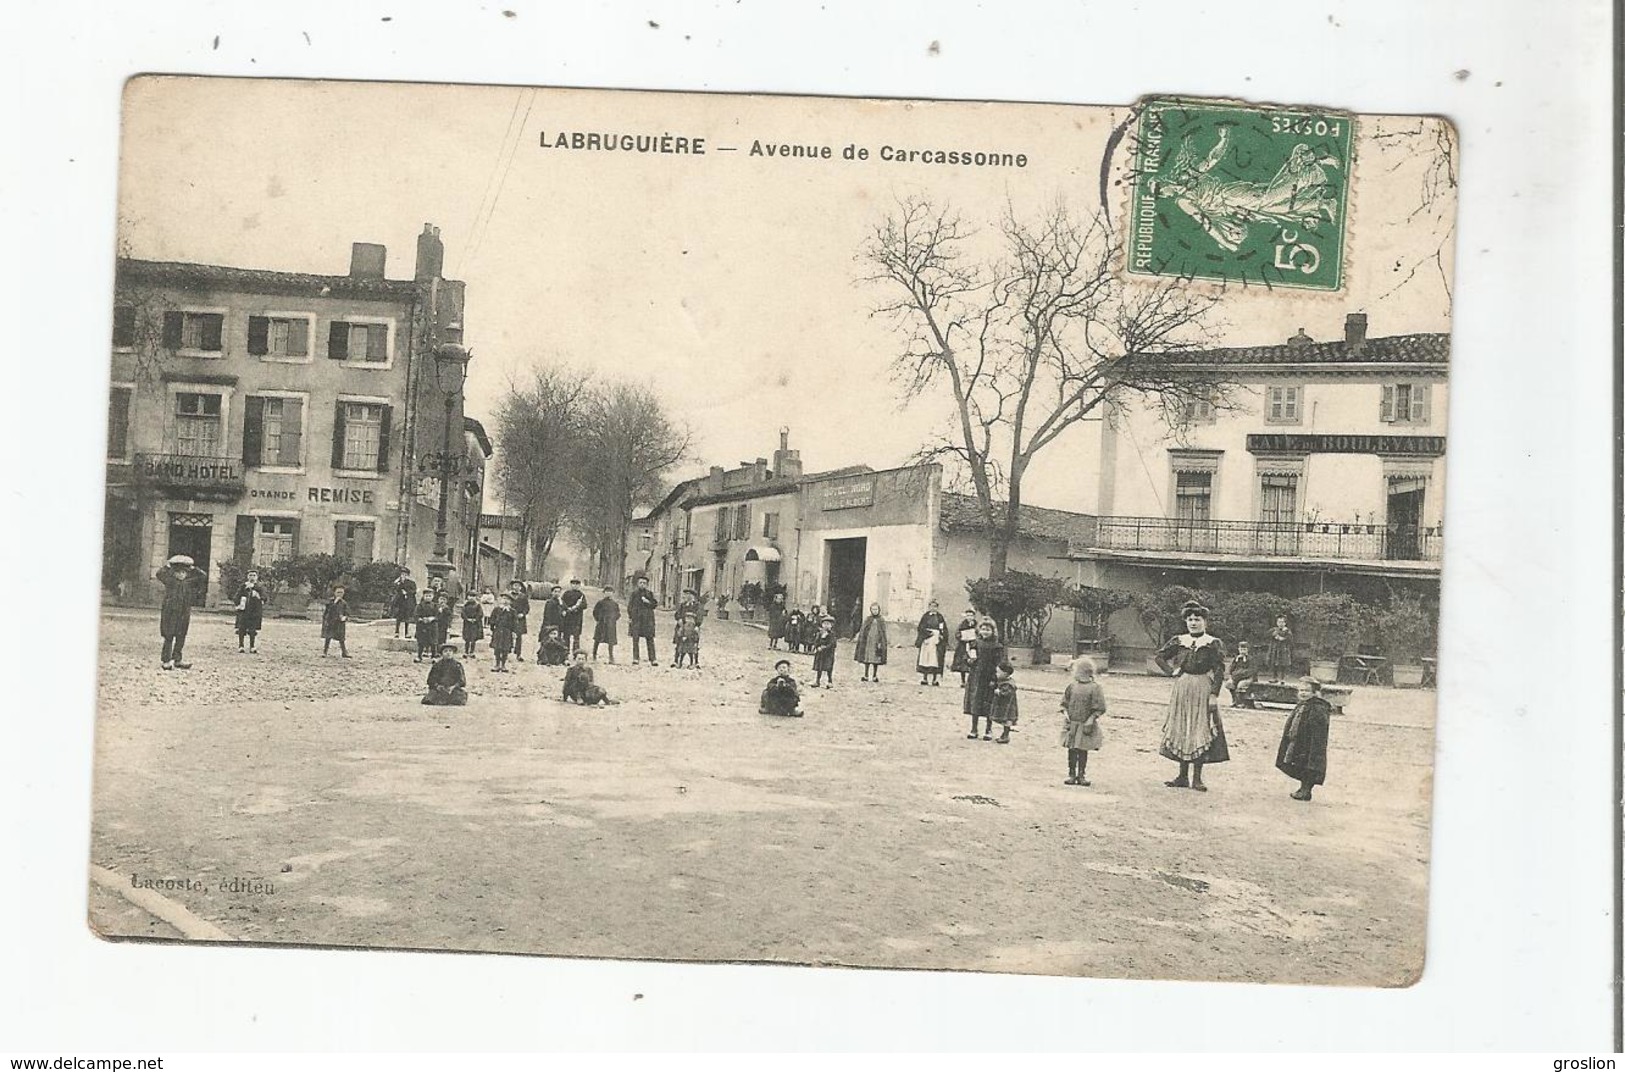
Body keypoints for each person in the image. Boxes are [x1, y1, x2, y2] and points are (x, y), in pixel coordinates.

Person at [1154, 600, 1231, 791]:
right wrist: (1171, 671)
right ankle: (1182, 776)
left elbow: (1219, 670)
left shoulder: (1212, 643)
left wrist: (1214, 694)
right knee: (1183, 727)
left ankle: (1197, 778)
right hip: (1183, 687)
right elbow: (1159, 657)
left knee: (1199, 728)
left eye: (1197, 619)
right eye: (1190, 619)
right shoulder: (1179, 641)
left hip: (1202, 687)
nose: (1193, 623)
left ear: (1205, 622)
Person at [1277, 678, 1332, 801]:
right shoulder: (1302, 705)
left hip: (1310, 743)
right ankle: (1303, 788)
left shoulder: (1317, 707)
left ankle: (1306, 790)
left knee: (1309, 765)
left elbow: (1318, 728)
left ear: (1315, 693)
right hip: (1298, 741)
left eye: (1307, 691)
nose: (1303, 693)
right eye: (1301, 690)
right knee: (1299, 763)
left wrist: (1313, 741)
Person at [1060, 656, 1107, 786]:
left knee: (1082, 750)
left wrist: (1091, 719)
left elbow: (1100, 707)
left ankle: (1081, 775)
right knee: (1072, 749)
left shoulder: (1095, 688)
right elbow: (1064, 703)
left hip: (1085, 724)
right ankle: (1071, 774)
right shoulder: (1071, 686)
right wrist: (1066, 714)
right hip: (1072, 724)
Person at [155, 554, 206, 670]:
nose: (181, 574)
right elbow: (159, 574)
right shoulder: (170, 581)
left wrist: (193, 568)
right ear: (174, 573)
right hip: (170, 612)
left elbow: (202, 576)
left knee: (181, 636)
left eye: (184, 572)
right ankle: (166, 660)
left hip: (184, 613)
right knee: (169, 636)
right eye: (178, 572)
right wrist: (168, 566)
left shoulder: (189, 583)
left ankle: (177, 659)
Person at [964, 619, 1005, 740]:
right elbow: (967, 658)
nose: (985, 632)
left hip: (989, 678)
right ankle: (974, 729)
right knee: (975, 702)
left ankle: (988, 729)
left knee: (989, 703)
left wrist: (995, 679)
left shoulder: (997, 646)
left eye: (988, 630)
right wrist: (969, 661)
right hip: (976, 677)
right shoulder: (975, 644)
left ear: (993, 631)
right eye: (983, 629)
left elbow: (999, 663)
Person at [915, 600, 948, 686]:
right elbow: (920, 627)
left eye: (935, 606)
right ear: (929, 607)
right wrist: (927, 634)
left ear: (937, 608)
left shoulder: (940, 617)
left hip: (936, 641)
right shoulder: (925, 616)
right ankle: (925, 678)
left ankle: (934, 679)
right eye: (931, 606)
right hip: (927, 640)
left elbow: (943, 628)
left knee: (935, 659)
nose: (933, 608)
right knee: (925, 659)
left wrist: (942, 635)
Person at [628, 576, 660, 665]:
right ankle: (636, 658)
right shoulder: (634, 594)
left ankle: (653, 659)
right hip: (637, 619)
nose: (642, 585)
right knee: (635, 639)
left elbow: (654, 605)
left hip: (647, 620)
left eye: (644, 583)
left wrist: (648, 602)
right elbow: (630, 606)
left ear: (647, 585)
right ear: (637, 584)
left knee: (650, 639)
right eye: (640, 583)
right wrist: (630, 617)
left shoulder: (649, 594)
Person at [854, 603, 889, 682]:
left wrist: (881, 642)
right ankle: (866, 675)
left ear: (879, 610)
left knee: (876, 660)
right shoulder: (868, 619)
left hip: (876, 642)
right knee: (867, 659)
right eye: (873, 609)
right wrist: (862, 640)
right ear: (871, 610)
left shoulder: (881, 620)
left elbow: (883, 632)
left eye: (876, 609)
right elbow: (863, 630)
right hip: (868, 642)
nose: (875, 611)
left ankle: (874, 676)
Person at [234, 569, 266, 654]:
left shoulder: (260, 587)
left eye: (254, 575)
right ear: (247, 577)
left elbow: (264, 597)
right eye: (250, 575)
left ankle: (252, 646)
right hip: (244, 611)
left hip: (254, 612)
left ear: (257, 577)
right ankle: (241, 646)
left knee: (252, 629)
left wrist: (258, 596)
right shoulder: (243, 586)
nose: (252, 577)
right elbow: (236, 596)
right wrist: (238, 604)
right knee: (241, 628)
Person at [989, 661, 1020, 744]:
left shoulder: (1008, 684)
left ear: (1005, 674)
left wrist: (999, 692)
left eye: (998, 672)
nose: (996, 674)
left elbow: (1006, 693)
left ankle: (1005, 736)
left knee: (1007, 721)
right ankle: (1004, 735)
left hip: (1008, 707)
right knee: (1005, 721)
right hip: (1005, 706)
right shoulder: (1003, 681)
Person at [487, 593, 517, 672]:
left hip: (507, 632)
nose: (505, 601)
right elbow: (492, 619)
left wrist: (514, 631)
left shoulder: (512, 611)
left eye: (508, 599)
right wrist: (492, 628)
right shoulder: (497, 610)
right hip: (498, 631)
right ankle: (497, 664)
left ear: (511, 602)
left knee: (505, 649)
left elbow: (515, 622)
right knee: (497, 648)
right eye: (504, 599)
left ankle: (503, 665)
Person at [950, 608, 979, 688]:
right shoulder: (962, 625)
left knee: (973, 662)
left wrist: (975, 638)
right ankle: (963, 681)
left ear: (974, 616)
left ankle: (972, 681)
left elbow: (979, 634)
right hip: (963, 645)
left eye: (971, 616)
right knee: (963, 663)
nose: (969, 617)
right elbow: (957, 633)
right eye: (968, 615)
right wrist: (961, 637)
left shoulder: (977, 625)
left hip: (973, 646)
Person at [592, 587, 621, 663]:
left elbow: (618, 614)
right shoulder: (600, 603)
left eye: (610, 591)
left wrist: (613, 620)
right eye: (607, 591)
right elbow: (595, 612)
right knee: (597, 639)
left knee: (611, 641)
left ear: (613, 593)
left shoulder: (614, 604)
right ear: (604, 593)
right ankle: (594, 655)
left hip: (610, 625)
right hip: (601, 624)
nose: (608, 593)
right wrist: (599, 619)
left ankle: (611, 657)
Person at [321, 584, 351, 658]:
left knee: (341, 638)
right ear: (334, 593)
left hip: (339, 623)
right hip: (330, 622)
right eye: (338, 592)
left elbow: (347, 612)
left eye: (341, 592)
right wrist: (335, 602)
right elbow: (328, 611)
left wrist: (345, 617)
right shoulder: (330, 601)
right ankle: (325, 652)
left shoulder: (344, 603)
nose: (340, 594)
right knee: (328, 637)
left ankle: (344, 652)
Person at [560, 579, 587, 655]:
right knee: (566, 636)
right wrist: (567, 608)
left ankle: (576, 653)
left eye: (577, 584)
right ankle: (565, 652)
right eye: (573, 584)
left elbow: (584, 605)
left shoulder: (581, 595)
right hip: (567, 619)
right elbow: (562, 602)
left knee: (576, 637)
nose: (575, 586)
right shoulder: (566, 594)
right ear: (571, 585)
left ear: (579, 585)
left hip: (577, 619)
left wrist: (576, 608)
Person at [1228, 639, 1259, 707]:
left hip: (1248, 677)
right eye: (1241, 649)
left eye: (1244, 649)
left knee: (1241, 685)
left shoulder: (1251, 659)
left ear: (1247, 650)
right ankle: (1234, 700)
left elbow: (1252, 670)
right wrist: (1233, 675)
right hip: (1237, 677)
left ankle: (1241, 702)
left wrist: (1240, 674)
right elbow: (1231, 669)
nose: (1242, 651)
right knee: (1229, 684)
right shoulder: (1236, 659)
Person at [810, 616, 838, 689]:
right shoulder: (820, 633)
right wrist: (817, 647)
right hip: (820, 654)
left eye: (828, 624)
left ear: (831, 625)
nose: (826, 626)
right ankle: (817, 681)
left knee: (828, 667)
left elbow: (833, 644)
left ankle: (829, 681)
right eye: (824, 624)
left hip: (828, 654)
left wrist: (825, 647)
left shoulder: (832, 634)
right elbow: (816, 641)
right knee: (819, 667)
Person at [507, 581, 531, 663]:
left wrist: (523, 614)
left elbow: (527, 607)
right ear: (512, 586)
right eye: (515, 585)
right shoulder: (508, 595)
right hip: (510, 618)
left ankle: (518, 654)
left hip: (519, 619)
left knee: (519, 637)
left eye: (518, 586)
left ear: (521, 587)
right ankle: (507, 652)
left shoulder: (523, 596)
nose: (516, 587)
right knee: (508, 635)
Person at [389, 567, 417, 638]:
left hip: (408, 602)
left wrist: (407, 592)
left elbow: (414, 591)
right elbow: (395, 589)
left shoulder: (411, 582)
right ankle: (397, 632)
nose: (403, 575)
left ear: (408, 575)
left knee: (407, 617)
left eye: (405, 574)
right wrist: (399, 583)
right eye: (402, 574)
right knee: (399, 617)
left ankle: (406, 633)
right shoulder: (398, 582)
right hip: (400, 602)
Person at [414, 592, 440, 662]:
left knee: (433, 642)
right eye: (426, 596)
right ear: (423, 596)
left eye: (429, 596)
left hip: (432, 626)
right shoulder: (419, 606)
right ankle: (419, 656)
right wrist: (421, 619)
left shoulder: (435, 606)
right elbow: (416, 615)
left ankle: (433, 656)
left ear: (432, 596)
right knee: (421, 642)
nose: (428, 597)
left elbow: (438, 615)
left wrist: (432, 618)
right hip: (422, 626)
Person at [1265, 615, 1293, 679]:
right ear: (1277, 623)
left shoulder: (1287, 631)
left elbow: (1290, 639)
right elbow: (1267, 635)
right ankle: (1274, 677)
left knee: (1283, 663)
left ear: (1285, 623)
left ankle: (1282, 677)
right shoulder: (1274, 630)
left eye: (1282, 622)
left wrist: (1283, 638)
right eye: (1279, 622)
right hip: (1275, 649)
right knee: (1274, 662)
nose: (1281, 624)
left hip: (1283, 649)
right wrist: (1273, 635)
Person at [460, 593, 484, 658]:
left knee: (473, 638)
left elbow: (480, 613)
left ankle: (472, 652)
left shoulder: (478, 605)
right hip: (467, 624)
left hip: (474, 624)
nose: (471, 597)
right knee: (467, 638)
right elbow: (463, 613)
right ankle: (466, 652)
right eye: (470, 596)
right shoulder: (465, 605)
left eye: (473, 596)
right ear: (467, 597)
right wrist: (467, 619)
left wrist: (475, 619)